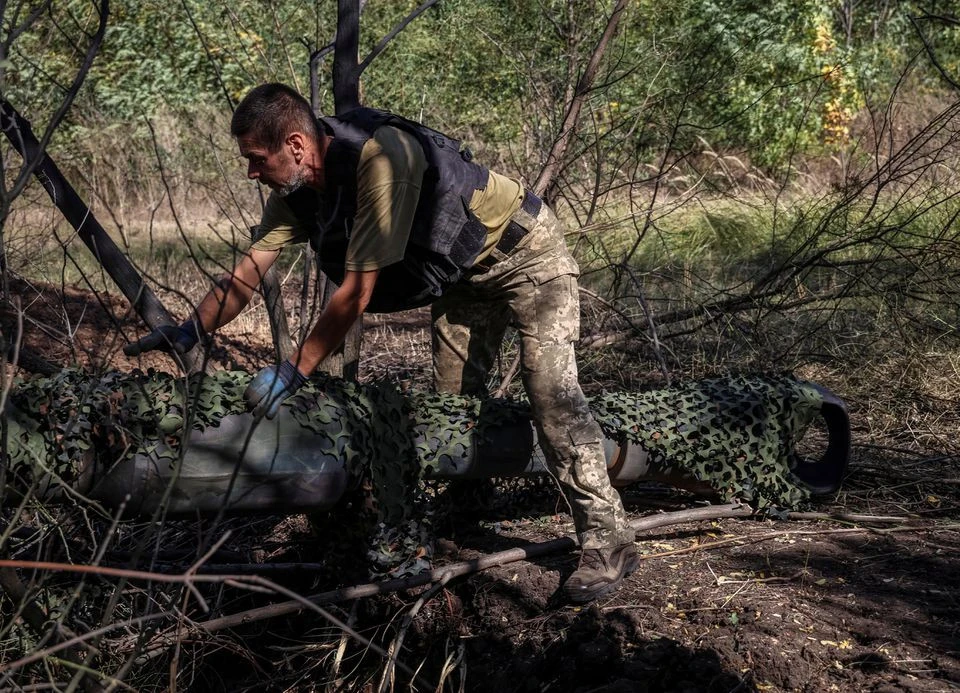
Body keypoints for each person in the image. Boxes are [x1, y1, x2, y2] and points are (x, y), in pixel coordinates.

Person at [124, 83, 638, 603]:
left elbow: (355, 294)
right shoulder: (297, 192)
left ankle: (607, 540)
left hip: (526, 253)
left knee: (552, 397)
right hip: (463, 279)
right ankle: (470, 503)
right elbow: (248, 271)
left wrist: (294, 370)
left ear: (297, 146)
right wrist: (193, 327)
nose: (251, 173)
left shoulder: (380, 160)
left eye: (257, 160)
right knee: (453, 407)